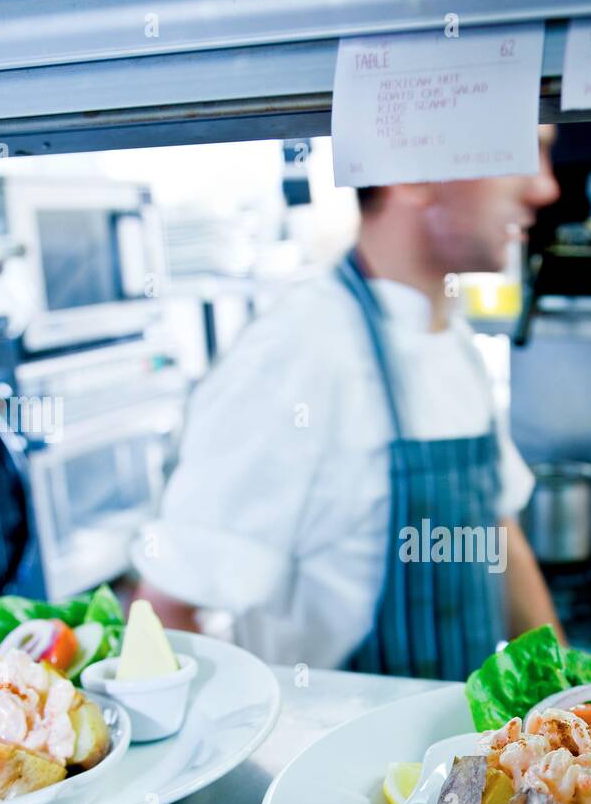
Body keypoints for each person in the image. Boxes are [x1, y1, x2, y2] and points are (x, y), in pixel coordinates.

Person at [133, 130, 564, 678]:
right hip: (334, 755)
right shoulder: (295, 352)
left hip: (461, 757)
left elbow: (499, 533)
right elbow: (168, 608)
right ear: (413, 171)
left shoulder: (453, 339)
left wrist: (567, 696)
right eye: (523, 148)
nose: (545, 187)